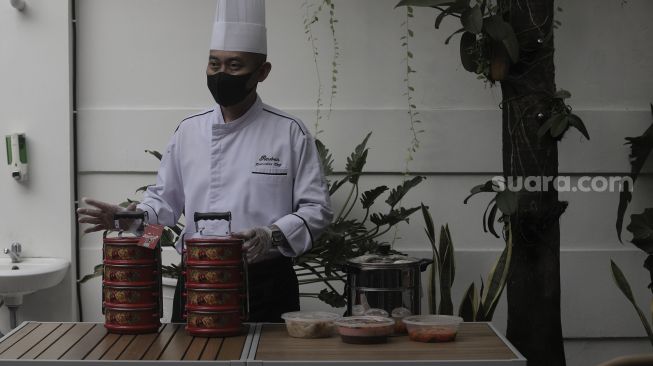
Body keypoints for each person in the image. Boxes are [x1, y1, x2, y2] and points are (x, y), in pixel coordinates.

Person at [76, 0, 333, 323]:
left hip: (266, 282)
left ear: (262, 72)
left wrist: (273, 235)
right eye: (215, 65)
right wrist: (128, 220)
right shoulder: (188, 132)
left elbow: (317, 210)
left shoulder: (289, 133)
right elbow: (163, 211)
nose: (221, 74)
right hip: (196, 283)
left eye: (235, 66)